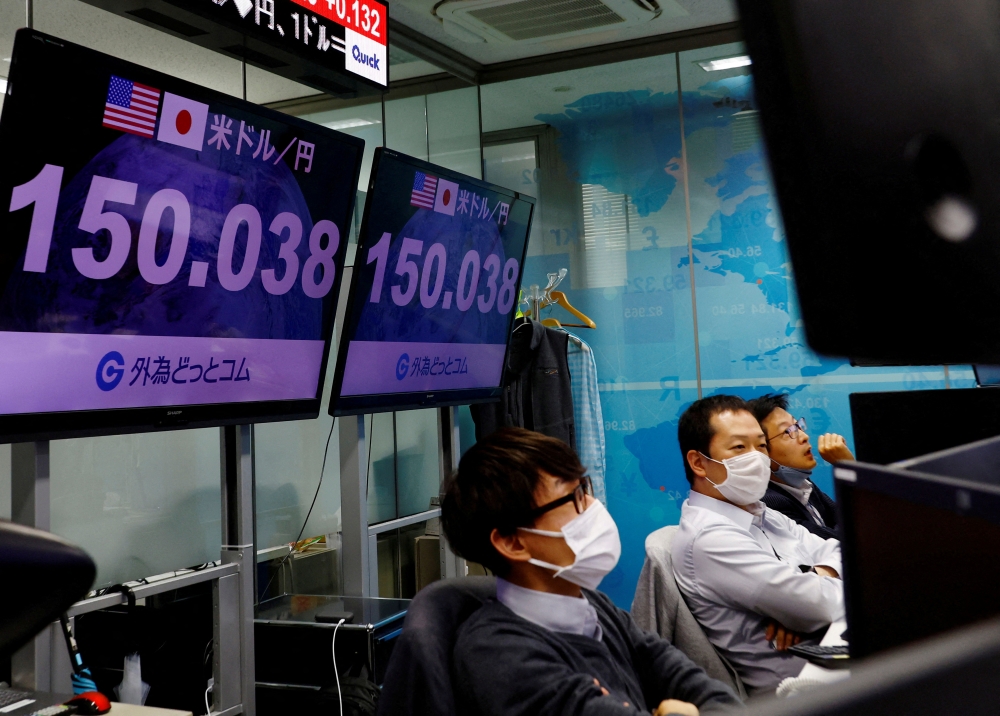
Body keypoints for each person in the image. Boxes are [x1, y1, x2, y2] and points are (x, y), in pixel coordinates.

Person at [442, 428, 743, 716]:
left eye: (584, 488)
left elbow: (705, 690)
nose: (593, 505)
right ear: (513, 542)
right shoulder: (500, 655)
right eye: (573, 497)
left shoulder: (594, 607)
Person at [671, 395, 844, 694]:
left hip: (834, 660)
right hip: (803, 692)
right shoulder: (711, 539)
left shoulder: (760, 512)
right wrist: (807, 605)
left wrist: (821, 575)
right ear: (699, 462)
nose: (757, 457)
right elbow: (819, 604)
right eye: (739, 447)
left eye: (761, 446)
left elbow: (843, 551)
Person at [747, 394, 855, 539]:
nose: (804, 436)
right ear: (761, 449)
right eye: (788, 431)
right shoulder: (770, 503)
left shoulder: (802, 485)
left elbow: (845, 519)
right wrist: (849, 470)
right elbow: (846, 541)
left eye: (797, 426)